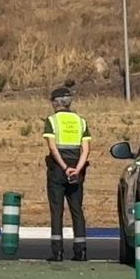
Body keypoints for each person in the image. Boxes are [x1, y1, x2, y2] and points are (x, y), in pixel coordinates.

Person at [43, 82, 90, 262]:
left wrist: (64, 168)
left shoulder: (52, 121)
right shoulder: (81, 121)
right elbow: (86, 149)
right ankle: (81, 250)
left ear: (56, 103)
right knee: (77, 210)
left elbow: (53, 148)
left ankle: (58, 251)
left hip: (58, 170)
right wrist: (76, 170)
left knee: (57, 211)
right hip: (78, 169)